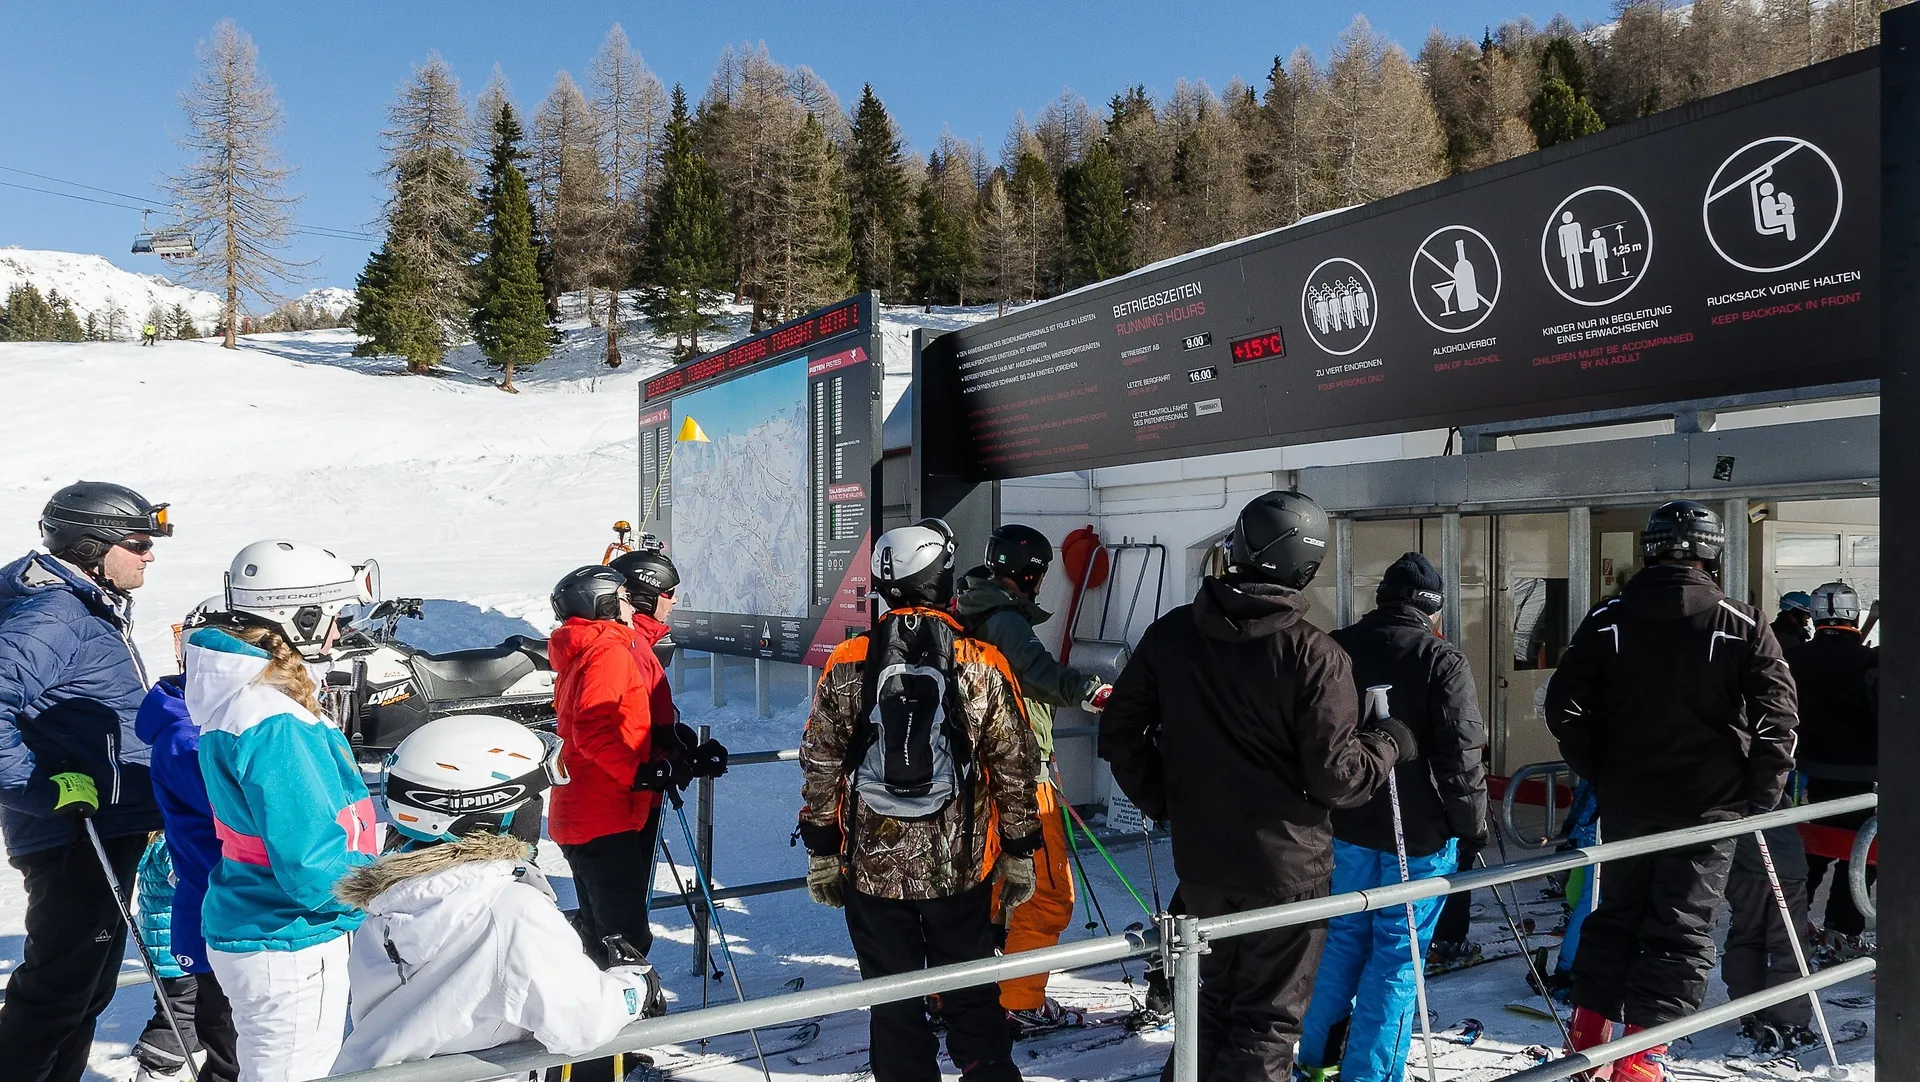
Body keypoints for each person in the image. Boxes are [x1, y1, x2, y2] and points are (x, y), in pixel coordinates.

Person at [1100, 490, 1410, 1082]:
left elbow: (1119, 731)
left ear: (1238, 548)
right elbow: (1338, 777)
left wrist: (1166, 798)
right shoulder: (1314, 655)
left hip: (1206, 861)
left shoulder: (1174, 634)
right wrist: (1388, 744)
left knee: (1211, 1004)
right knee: (1266, 1022)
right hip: (1285, 869)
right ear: (1307, 567)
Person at [1544, 500, 1797, 1082]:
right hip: (1709, 805)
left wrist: (1599, 767)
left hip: (1630, 800)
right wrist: (1761, 793)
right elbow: (1778, 719)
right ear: (1713, 553)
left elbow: (1564, 706)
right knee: (1681, 928)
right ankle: (1639, 1059)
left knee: (1617, 914)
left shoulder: (1608, 617)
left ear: (1649, 550)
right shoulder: (1741, 621)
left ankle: (1587, 1042)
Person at [797, 518, 1042, 1082]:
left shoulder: (849, 659)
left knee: (894, 1006)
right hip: (959, 870)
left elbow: (821, 762)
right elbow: (1015, 764)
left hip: (872, 874)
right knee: (971, 997)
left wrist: (822, 850)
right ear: (940, 579)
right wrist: (1020, 850)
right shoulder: (980, 661)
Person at [331, 714, 665, 1072]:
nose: (537, 810)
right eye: (532, 798)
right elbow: (583, 1022)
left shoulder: (395, 897)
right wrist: (635, 986)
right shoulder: (509, 912)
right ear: (492, 810)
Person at [189, 539, 381, 1082]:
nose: (339, 633)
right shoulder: (273, 721)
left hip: (262, 923)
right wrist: (383, 888)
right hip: (288, 936)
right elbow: (311, 863)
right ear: (300, 617)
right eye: (335, 617)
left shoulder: (246, 701)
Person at [0, 481, 172, 1082]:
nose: (150, 554)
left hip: (103, 824)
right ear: (91, 546)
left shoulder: (85, 605)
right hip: (75, 833)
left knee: (86, 989)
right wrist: (41, 789)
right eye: (138, 543)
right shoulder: (54, 617)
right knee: (56, 993)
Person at [1298, 552, 1488, 1082]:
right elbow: (1461, 756)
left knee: (1341, 942)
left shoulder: (1336, 647)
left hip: (1348, 824)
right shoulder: (1441, 659)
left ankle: (1316, 1060)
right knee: (1397, 957)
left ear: (1381, 599)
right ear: (1433, 610)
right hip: (1418, 837)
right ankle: (1370, 1074)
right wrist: (1472, 826)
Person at [954, 523, 1111, 1036]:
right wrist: (1092, 692)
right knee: (1046, 893)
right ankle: (1019, 1002)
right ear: (1031, 574)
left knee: (984, 893)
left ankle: (950, 996)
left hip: (975, 779)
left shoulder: (968, 611)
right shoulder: (1004, 620)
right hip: (1020, 781)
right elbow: (1038, 672)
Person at [548, 564, 724, 968]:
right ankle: (622, 1005)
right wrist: (642, 772)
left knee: (604, 932)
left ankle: (592, 1000)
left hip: (594, 812)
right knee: (624, 939)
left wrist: (674, 753)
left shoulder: (593, 648)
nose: (630, 607)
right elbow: (592, 729)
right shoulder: (607, 650)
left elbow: (625, 721)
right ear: (604, 605)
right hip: (602, 814)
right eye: (623, 599)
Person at [137, 599, 240, 1082]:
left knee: (218, 1029)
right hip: (219, 922)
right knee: (225, 1037)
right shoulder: (189, 738)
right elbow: (242, 819)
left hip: (219, 918)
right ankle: (158, 1065)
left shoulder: (207, 725)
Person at [1783, 581, 1877, 958]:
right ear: (1854, 615)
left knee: (1811, 848)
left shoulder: (1792, 659)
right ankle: (1842, 928)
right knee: (1862, 853)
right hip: (1864, 775)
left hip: (1807, 773)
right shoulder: (1871, 662)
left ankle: (1789, 921)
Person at [1722, 798, 1818, 1059]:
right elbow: (1769, 788)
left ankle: (1751, 1011)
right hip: (1781, 864)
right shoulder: (1762, 776)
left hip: (1740, 861)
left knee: (1746, 935)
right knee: (1788, 944)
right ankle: (1789, 1023)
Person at [132, 834, 206, 1082]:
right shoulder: (171, 841)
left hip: (168, 948)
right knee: (181, 1014)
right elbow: (186, 880)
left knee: (194, 1009)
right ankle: (156, 1069)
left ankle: (189, 1063)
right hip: (181, 950)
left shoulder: (158, 840)